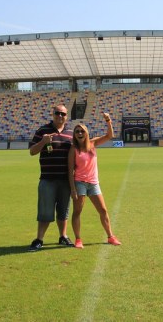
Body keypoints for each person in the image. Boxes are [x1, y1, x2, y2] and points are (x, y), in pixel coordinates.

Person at [68, 112, 121, 248]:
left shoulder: (93, 143)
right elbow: (70, 171)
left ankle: (110, 236)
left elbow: (110, 136)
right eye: (77, 131)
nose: (79, 133)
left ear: (86, 133)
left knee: (103, 210)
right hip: (79, 183)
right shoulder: (73, 149)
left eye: (82, 131)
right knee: (78, 211)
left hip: (93, 183)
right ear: (74, 134)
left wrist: (108, 120)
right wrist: (73, 189)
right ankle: (78, 239)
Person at [28, 104, 75, 251]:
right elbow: (32, 151)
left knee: (63, 211)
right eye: (57, 113)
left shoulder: (71, 133)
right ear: (52, 114)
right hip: (47, 179)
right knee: (45, 211)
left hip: (65, 180)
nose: (60, 116)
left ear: (66, 116)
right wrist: (43, 142)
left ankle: (63, 236)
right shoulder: (42, 130)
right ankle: (39, 239)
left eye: (63, 114)